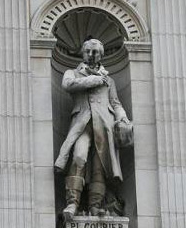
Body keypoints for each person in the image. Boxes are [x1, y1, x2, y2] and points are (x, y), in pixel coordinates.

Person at [54, 38, 131, 218]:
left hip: (105, 125)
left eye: (95, 52)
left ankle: (95, 205)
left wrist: (123, 118)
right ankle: (72, 202)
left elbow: (115, 103)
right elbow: (67, 85)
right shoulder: (73, 73)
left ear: (101, 54)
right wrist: (94, 80)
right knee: (78, 157)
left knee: (100, 166)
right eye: (88, 51)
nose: (91, 54)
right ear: (82, 52)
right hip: (82, 124)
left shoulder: (109, 80)